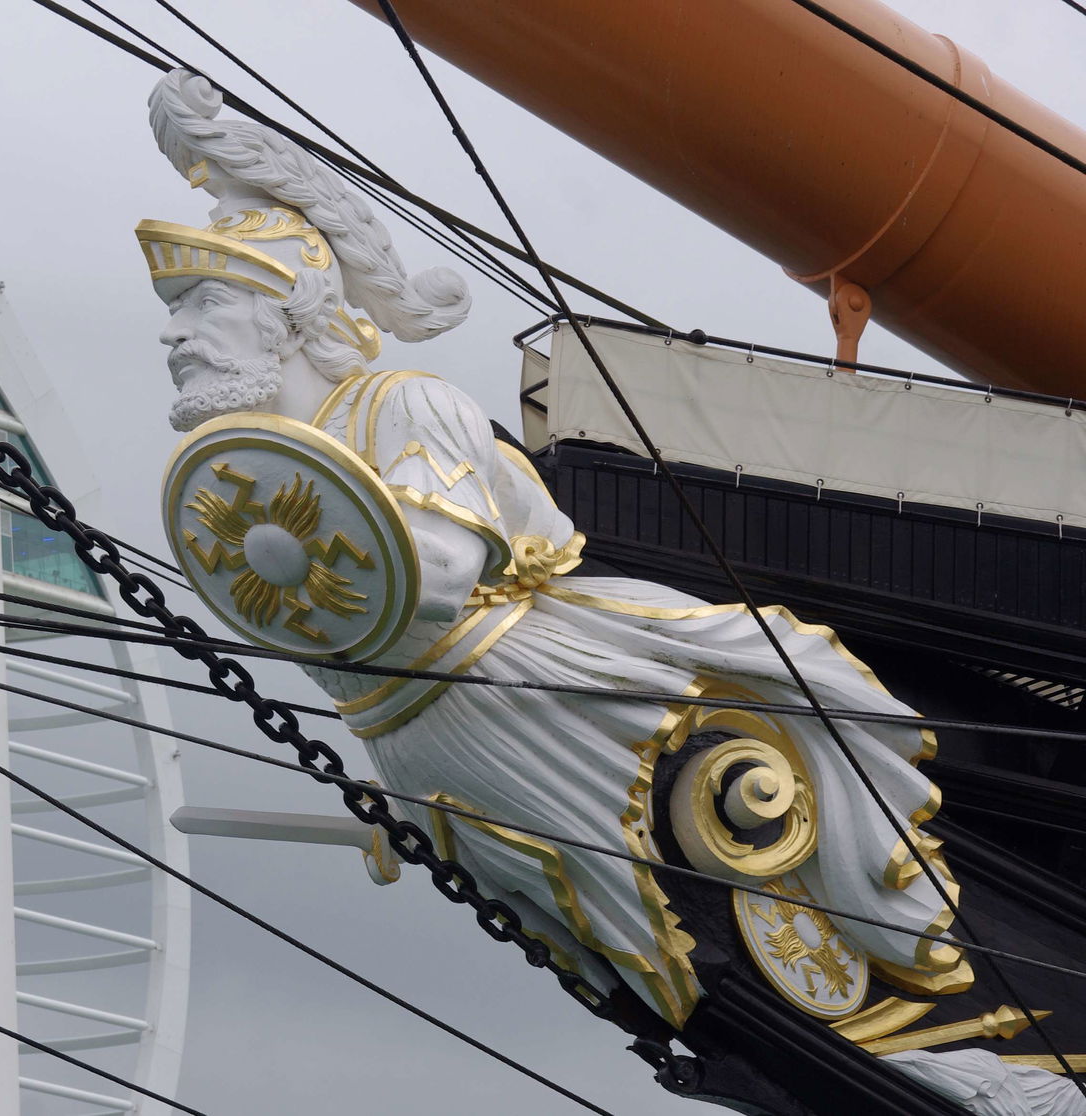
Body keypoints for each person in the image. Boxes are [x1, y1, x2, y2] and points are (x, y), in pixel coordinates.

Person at [137, 69, 962, 1031]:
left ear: (288, 315)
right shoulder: (274, 469)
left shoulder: (404, 405)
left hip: (529, 686)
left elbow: (437, 579)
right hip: (422, 738)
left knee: (676, 927)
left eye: (201, 308)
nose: (175, 333)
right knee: (626, 956)